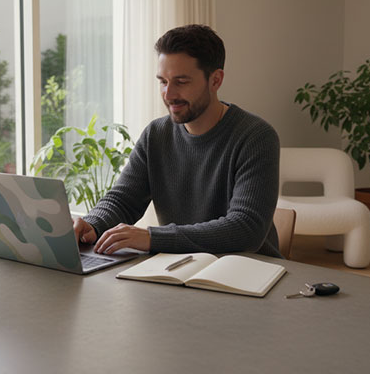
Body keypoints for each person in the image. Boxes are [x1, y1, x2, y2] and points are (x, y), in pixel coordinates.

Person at [74, 24, 282, 258]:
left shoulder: (256, 137)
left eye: (181, 82)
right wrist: (92, 224)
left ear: (215, 80)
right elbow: (124, 199)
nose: (168, 94)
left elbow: (246, 229)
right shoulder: (156, 134)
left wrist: (153, 237)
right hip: (180, 269)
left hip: (249, 274)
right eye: (163, 81)